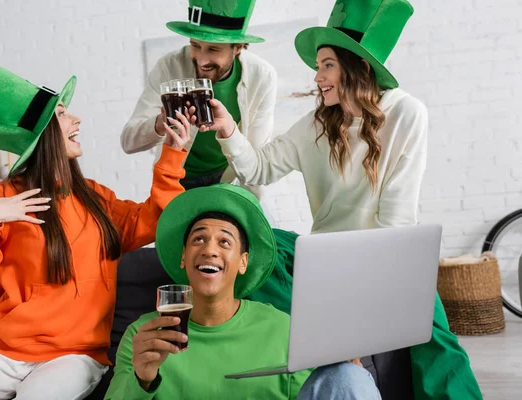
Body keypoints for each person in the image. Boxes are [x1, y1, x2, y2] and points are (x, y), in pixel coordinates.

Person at [192, 0, 483, 399]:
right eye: (318, 66)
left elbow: (396, 218)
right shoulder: (316, 123)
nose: (317, 76)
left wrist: (362, 297)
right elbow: (259, 169)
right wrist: (227, 130)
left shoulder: (407, 113)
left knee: (434, 334)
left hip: (388, 254)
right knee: (263, 241)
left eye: (326, 64)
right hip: (325, 253)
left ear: (355, 66)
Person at [0, 65, 190, 400]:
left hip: (73, 356)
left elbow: (160, 221)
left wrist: (173, 154)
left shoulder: (95, 199)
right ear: (43, 133)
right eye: (62, 114)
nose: (76, 120)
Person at [104, 184, 381, 399]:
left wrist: (350, 367)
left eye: (224, 242)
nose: (209, 249)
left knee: (348, 377)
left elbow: (331, 390)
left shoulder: (284, 329)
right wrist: (141, 379)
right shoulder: (142, 336)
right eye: (198, 239)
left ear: (243, 262)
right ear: (183, 257)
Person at [120, 0, 276, 202]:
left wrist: (252, 211)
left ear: (237, 47)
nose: (202, 61)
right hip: (176, 179)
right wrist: (160, 123)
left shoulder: (262, 77)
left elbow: (256, 164)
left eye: (213, 49)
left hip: (227, 179)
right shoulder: (169, 66)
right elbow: (128, 142)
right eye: (195, 45)